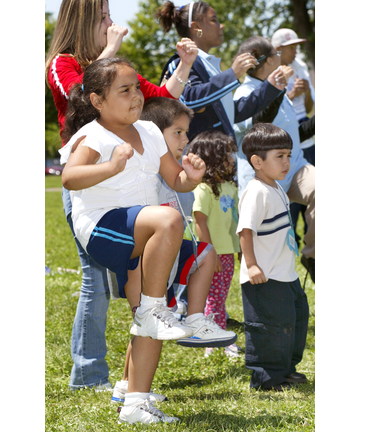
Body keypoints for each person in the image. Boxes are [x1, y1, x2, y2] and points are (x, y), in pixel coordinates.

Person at [45, 0, 199, 391]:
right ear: (82, 21)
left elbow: (160, 100)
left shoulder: (135, 107)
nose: (113, 24)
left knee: (147, 299)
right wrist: (107, 56)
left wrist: (183, 65)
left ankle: (132, 392)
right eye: (104, 17)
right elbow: (81, 98)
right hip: (97, 194)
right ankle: (89, 374)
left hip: (136, 202)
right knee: (96, 282)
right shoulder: (64, 64)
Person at [60, 57, 212, 424]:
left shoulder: (148, 131)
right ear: (97, 101)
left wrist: (190, 177)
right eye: (124, 90)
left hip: (144, 230)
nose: (136, 96)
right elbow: (69, 177)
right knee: (167, 226)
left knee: (154, 310)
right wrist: (111, 166)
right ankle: (154, 308)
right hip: (102, 227)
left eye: (137, 88)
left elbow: (175, 180)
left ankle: (135, 402)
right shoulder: (93, 135)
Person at [109, 97, 237, 406]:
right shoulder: (145, 172)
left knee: (150, 321)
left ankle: (194, 320)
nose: (185, 140)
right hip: (142, 262)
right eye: (177, 133)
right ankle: (130, 387)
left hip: (166, 259)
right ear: (153, 135)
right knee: (145, 324)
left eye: (186, 132)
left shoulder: (175, 171)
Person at [232, 36, 315, 284]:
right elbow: (258, 127)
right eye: (277, 55)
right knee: (265, 249)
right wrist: (277, 89)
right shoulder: (244, 93)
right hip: (263, 179)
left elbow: (292, 137)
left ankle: (313, 256)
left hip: (295, 167)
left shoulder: (278, 91)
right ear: (270, 60)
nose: (282, 59)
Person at [237, 123, 311, 391]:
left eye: (288, 156)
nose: (286, 162)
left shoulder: (276, 186)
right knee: (269, 327)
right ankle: (266, 378)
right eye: (279, 156)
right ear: (257, 161)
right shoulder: (256, 192)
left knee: (295, 319)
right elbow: (245, 231)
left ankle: (286, 369)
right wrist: (252, 265)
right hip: (265, 276)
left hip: (285, 272)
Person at [155, 1, 289, 142]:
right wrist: (232, 74)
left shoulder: (208, 64)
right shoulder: (181, 63)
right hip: (198, 159)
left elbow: (232, 113)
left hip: (221, 155)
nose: (221, 25)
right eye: (214, 20)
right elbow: (189, 101)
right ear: (196, 27)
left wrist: (271, 87)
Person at [185, 131, 242, 358]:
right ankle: (213, 341)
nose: (232, 158)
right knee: (214, 299)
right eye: (226, 153)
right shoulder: (203, 189)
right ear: (212, 157)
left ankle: (217, 336)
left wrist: (238, 249)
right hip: (214, 254)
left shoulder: (229, 187)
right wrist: (211, 254)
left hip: (227, 252)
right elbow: (200, 223)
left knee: (219, 297)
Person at [272, 28, 316, 249]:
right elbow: (269, 112)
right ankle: (292, 247)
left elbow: (309, 109)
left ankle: (311, 251)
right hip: (284, 139)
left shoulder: (300, 67)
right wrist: (291, 95)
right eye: (291, 46)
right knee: (289, 208)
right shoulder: (272, 72)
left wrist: (307, 93)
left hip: (307, 140)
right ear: (278, 50)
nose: (295, 50)